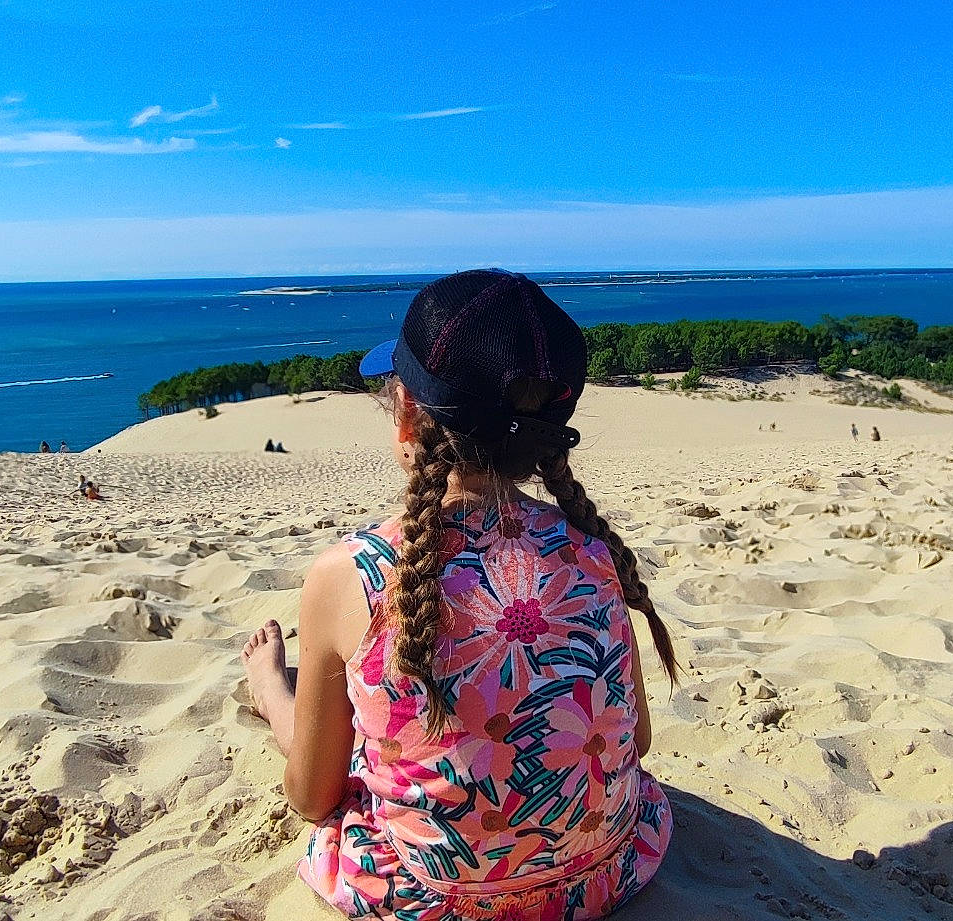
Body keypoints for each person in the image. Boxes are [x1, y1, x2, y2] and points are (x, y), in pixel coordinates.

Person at [239, 270, 671, 919]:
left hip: (436, 900)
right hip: (602, 877)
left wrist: (275, 694)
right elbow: (634, 739)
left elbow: (312, 796)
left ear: (407, 412)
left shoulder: (348, 574)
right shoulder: (592, 549)